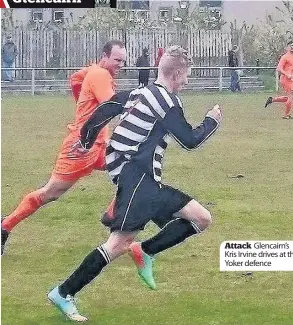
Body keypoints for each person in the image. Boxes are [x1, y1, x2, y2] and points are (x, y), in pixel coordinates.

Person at [47, 45, 223, 322]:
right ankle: (63, 292)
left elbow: (105, 109)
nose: (187, 81)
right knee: (117, 244)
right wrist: (212, 121)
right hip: (137, 178)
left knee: (201, 218)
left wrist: (86, 140)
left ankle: (145, 250)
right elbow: (190, 140)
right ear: (177, 73)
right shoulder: (166, 101)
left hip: (142, 179)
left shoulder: (139, 92)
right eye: (187, 75)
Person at [1, 40, 127, 255]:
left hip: (97, 145)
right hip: (80, 148)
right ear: (104, 57)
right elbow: (112, 106)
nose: (121, 65)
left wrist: (83, 103)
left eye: (123, 61)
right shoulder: (100, 75)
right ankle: (4, 227)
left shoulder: (93, 70)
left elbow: (75, 79)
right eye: (117, 60)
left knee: (132, 166)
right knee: (51, 192)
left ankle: (112, 216)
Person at [264, 40, 293, 119]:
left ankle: (272, 100)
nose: (292, 47)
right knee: (290, 97)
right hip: (286, 79)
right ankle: (286, 115)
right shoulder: (285, 57)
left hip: (291, 79)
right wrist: (287, 74)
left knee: (289, 98)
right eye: (291, 46)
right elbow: (279, 68)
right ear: (287, 47)